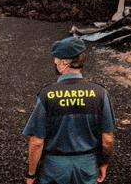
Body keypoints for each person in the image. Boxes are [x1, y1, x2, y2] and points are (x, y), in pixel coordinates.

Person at [23, 37, 116, 184]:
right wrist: (103, 164)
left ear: (64, 63)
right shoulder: (100, 93)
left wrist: (31, 174)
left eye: (56, 59)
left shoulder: (47, 94)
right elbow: (108, 140)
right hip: (87, 165)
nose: (55, 63)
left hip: (54, 167)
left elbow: (36, 142)